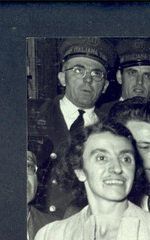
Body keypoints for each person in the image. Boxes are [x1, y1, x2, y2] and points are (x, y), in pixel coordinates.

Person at [28, 38, 114, 216]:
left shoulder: (112, 129)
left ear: (105, 86)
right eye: (78, 70)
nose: (88, 79)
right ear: (62, 78)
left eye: (96, 73)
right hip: (39, 226)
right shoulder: (31, 115)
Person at [99, 38, 150, 115]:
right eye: (132, 73)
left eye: (147, 76)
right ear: (119, 76)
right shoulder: (102, 114)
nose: (139, 81)